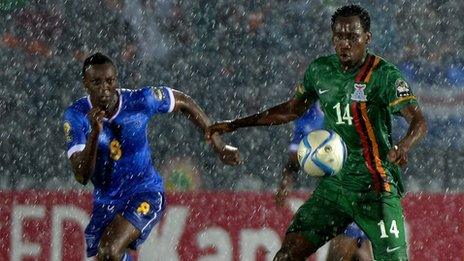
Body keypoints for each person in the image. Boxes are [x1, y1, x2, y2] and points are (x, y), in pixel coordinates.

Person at [207, 4, 427, 261]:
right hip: (335, 186)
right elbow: (291, 110)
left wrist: (404, 145)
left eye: (352, 37)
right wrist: (236, 124)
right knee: (286, 255)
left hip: (375, 187)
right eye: (339, 36)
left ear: (367, 38)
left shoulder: (384, 76)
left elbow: (418, 120)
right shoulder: (320, 71)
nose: (344, 43)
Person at [63, 52, 240, 260]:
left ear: (116, 79)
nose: (104, 89)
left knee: (109, 250)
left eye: (110, 81)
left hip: (144, 191)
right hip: (106, 198)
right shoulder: (76, 116)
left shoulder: (140, 101)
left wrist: (218, 145)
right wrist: (94, 132)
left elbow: (183, 101)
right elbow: (82, 176)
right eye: (96, 82)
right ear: (85, 83)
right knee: (110, 255)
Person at [275, 99, 373, 261]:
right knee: (357, 250)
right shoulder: (309, 112)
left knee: (343, 252)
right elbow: (295, 157)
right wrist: (286, 182)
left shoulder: (353, 105)